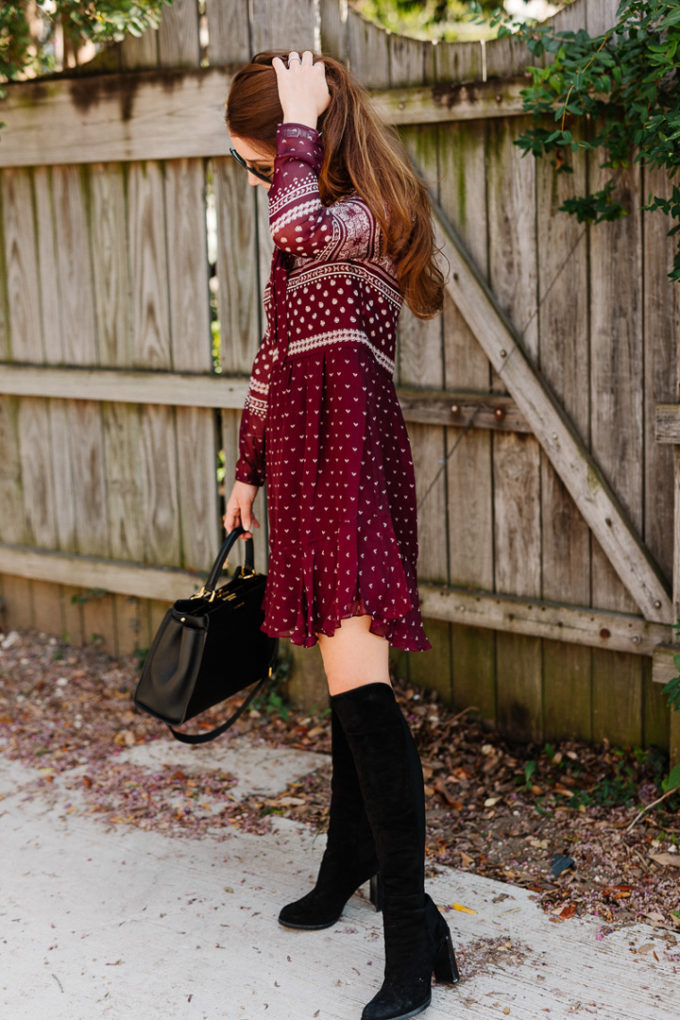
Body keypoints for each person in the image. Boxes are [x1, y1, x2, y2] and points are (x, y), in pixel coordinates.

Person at [223, 48, 460, 1020]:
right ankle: (344, 857)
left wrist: (292, 122)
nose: (257, 180)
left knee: (364, 695)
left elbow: (295, 217)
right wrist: (246, 470)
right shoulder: (299, 229)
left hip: (354, 463)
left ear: (302, 136)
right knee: (341, 679)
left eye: (259, 157)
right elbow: (273, 356)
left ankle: (412, 933)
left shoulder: (360, 215)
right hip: (310, 469)